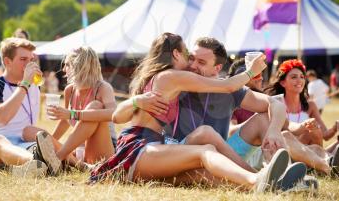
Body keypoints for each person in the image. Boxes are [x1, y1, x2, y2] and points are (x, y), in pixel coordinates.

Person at [90, 33, 304, 192]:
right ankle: (258, 178)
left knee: (204, 172)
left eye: (199, 61)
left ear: (217, 67)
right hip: (143, 146)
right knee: (206, 144)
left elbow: (117, 117)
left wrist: (275, 129)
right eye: (188, 56)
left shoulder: (170, 78)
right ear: (176, 54)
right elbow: (228, 86)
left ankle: (278, 185)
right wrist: (251, 72)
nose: (191, 63)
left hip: (151, 147)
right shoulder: (172, 76)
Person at [43, 47, 117, 165]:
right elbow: (66, 121)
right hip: (78, 150)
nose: (63, 69)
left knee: (95, 106)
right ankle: (62, 159)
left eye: (67, 65)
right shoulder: (70, 90)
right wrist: (49, 141)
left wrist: (73, 114)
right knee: (31, 132)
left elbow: (114, 114)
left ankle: (57, 158)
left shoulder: (102, 88)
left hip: (103, 151)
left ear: (79, 66)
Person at [0, 37, 47, 177]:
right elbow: (1, 118)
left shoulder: (34, 86)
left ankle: (74, 163)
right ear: (7, 62)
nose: (29, 64)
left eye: (31, 59)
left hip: (24, 143)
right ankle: (37, 163)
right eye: (23, 59)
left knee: (36, 133)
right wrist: (25, 83)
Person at [264, 60, 339, 147]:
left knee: (317, 132)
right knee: (309, 131)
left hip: (310, 155)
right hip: (285, 152)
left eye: (302, 77)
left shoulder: (311, 105)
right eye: (294, 77)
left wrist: (334, 128)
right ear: (283, 83)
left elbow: (325, 135)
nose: (299, 80)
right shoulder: (276, 103)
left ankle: (323, 159)